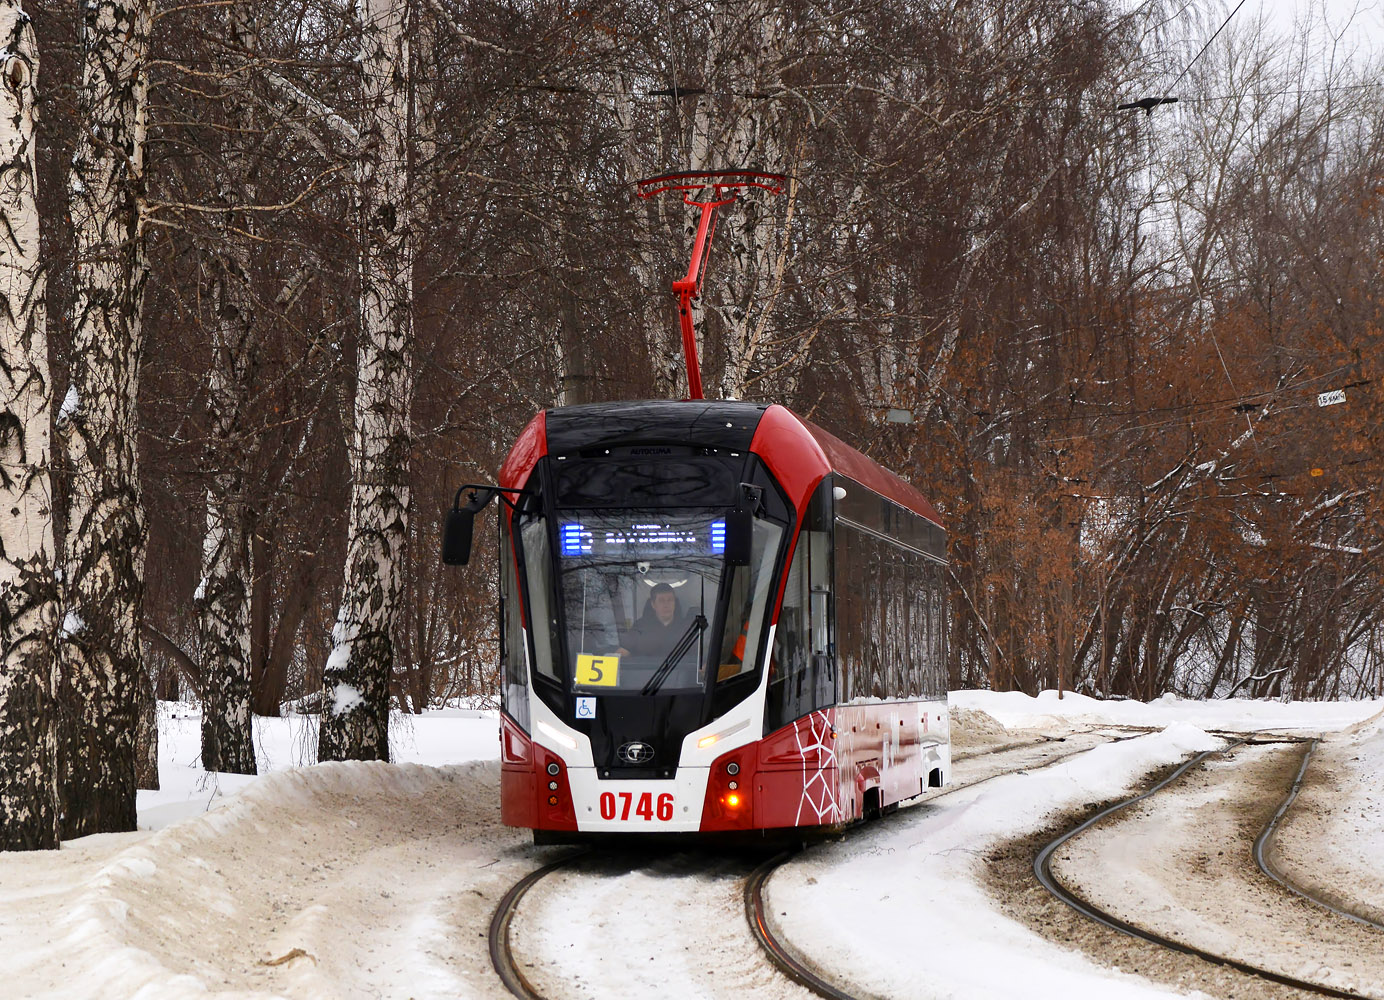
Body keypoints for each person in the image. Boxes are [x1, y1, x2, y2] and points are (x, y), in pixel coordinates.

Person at [618, 583, 686, 659]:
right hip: (644, 666)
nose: (666, 605)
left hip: (680, 666)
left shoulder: (687, 628)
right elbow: (623, 652)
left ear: (675, 603)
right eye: (661, 601)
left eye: (670, 600)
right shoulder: (640, 628)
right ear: (653, 605)